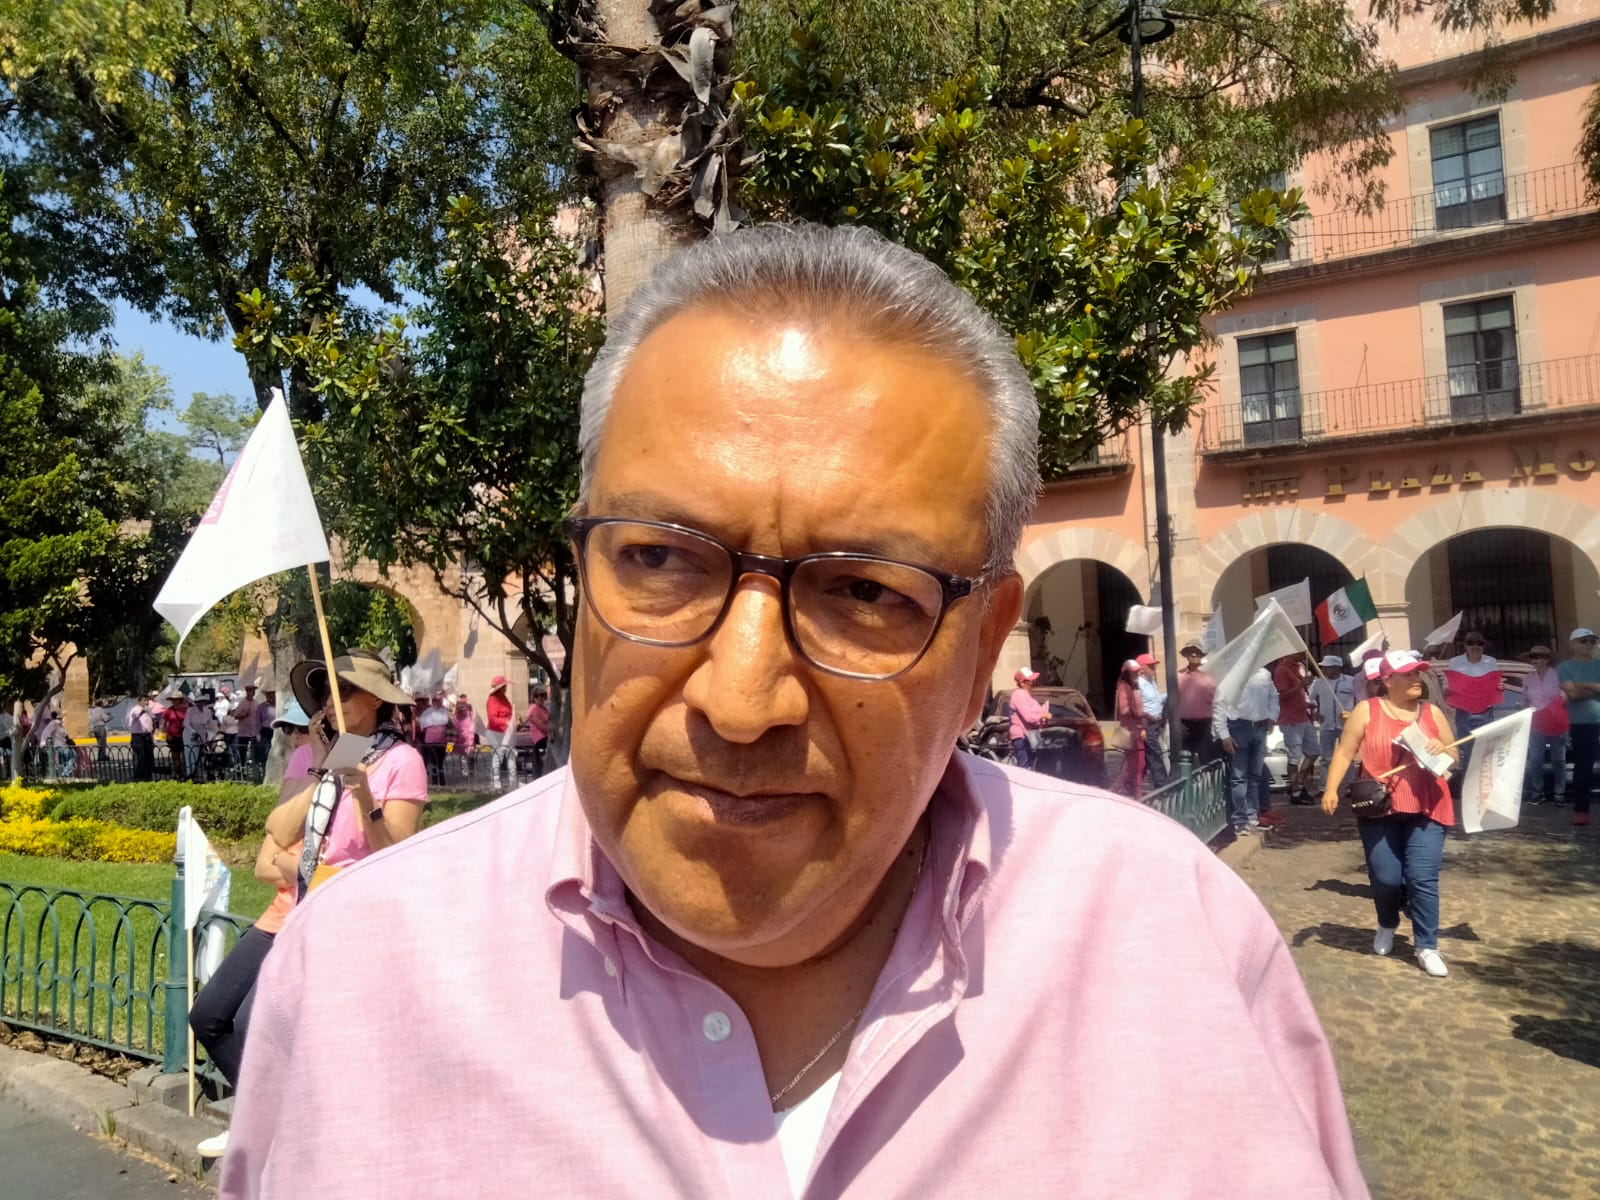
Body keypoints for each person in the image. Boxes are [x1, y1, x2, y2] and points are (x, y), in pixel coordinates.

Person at [223, 224, 1365, 1199]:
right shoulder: (360, 974)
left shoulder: (1176, 945)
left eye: (865, 592)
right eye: (660, 560)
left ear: (981, 648)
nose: (740, 699)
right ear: (580, 577)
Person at [190, 697, 316, 1161]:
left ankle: (275, 1127)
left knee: (249, 1022)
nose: (294, 740)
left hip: (311, 919)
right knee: (208, 1015)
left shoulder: (355, 766)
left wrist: (296, 865)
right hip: (277, 916)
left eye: (302, 730)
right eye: (288, 731)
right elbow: (267, 858)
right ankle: (260, 1118)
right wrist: (315, 771)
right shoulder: (307, 764)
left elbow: (329, 868)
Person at [1320, 650, 1458, 978]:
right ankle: (1387, 923)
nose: (1416, 679)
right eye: (1408, 674)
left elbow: (1454, 753)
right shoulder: (1366, 711)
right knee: (1386, 878)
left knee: (1422, 878)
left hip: (1429, 806)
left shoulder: (1432, 712)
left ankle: (1427, 946)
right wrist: (1331, 789)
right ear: (1387, 680)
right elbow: (1345, 752)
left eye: (1417, 673)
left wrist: (1443, 750)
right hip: (1379, 808)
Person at [262, 649, 430, 895]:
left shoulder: (402, 760)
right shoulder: (340, 750)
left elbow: (396, 854)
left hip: (364, 904)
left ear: (376, 699)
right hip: (315, 902)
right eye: (326, 693)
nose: (330, 702)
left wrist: (365, 799)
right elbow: (281, 834)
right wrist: (318, 765)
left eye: (344, 690)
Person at [1215, 665, 1280, 835]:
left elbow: (1274, 696)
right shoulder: (1231, 674)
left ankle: (1252, 816)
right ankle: (1240, 820)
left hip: (1259, 728)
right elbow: (1220, 704)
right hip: (1238, 727)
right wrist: (1224, 735)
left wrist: (1272, 717)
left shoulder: (1264, 674)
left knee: (1255, 776)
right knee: (1239, 777)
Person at [1443, 632, 1502, 797]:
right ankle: (1469, 791)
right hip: (1464, 712)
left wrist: (1500, 688)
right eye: (1471, 643)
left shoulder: (1491, 662)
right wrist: (1449, 690)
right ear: (1465, 645)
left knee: (1485, 752)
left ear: (1483, 645)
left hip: (1485, 713)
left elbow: (1496, 684)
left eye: (1479, 643)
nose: (1475, 646)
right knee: (1468, 753)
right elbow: (1446, 686)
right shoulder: (1455, 663)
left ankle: (1486, 791)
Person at [1559, 627, 1600, 826]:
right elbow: (1572, 694)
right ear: (1573, 643)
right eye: (1584, 640)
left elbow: (1576, 690)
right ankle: (1581, 810)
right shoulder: (1565, 667)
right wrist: (1596, 687)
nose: (1589, 644)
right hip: (1582, 723)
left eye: (1592, 640)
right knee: (1584, 767)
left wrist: (1583, 685)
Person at [1521, 645, 1567, 806]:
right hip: (1537, 721)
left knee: (1558, 759)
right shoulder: (1527, 678)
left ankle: (1560, 793)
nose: (1534, 660)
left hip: (1556, 720)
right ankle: (1537, 792)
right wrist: (1522, 706)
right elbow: (1525, 699)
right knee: (1535, 758)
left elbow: (1567, 696)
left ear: (1547, 660)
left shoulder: (1558, 675)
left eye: (1538, 657)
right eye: (1532, 657)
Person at [1274, 654, 1317, 806]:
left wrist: (1307, 705)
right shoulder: (1282, 669)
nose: (1305, 653)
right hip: (1291, 721)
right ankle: (1296, 791)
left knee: (1314, 752)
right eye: (1301, 650)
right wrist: (1301, 684)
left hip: (1303, 717)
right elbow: (1282, 696)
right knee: (1294, 757)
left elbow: (1297, 695)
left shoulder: (1297, 668)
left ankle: (1298, 784)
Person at [1310, 654, 1353, 794]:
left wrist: (1354, 715)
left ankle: (1350, 787)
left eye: (1327, 667)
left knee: (1347, 756)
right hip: (1326, 725)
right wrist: (1314, 712)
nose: (1324, 670)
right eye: (1324, 667)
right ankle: (1325, 787)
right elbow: (1309, 699)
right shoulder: (1319, 683)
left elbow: (1360, 699)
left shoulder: (1351, 682)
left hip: (1346, 725)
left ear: (1337, 668)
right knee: (1326, 758)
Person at [1176, 641, 1218, 765]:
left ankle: (1207, 777)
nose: (1194, 654)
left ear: (1201, 655)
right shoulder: (1178, 676)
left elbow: (1218, 701)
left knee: (1206, 760)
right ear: (1186, 655)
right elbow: (1172, 699)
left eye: (1197, 652)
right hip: (1183, 725)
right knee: (1185, 760)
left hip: (1204, 725)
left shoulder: (1210, 676)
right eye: (1190, 652)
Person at [1113, 659, 1147, 798]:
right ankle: (1115, 789)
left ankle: (1137, 793)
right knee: (1136, 765)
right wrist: (1140, 713)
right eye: (1133, 672)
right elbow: (1124, 709)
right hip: (1131, 731)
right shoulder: (1124, 687)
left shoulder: (1132, 687)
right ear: (1127, 673)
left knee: (1139, 764)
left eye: (1137, 671)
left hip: (1137, 730)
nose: (1137, 674)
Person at [1134, 652, 1169, 790]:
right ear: (1142, 668)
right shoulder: (1138, 684)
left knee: (1149, 756)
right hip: (1148, 724)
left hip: (1156, 723)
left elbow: (1157, 700)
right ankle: (1162, 783)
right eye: (1151, 666)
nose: (1154, 669)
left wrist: (1170, 693)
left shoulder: (1151, 682)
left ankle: (1134, 783)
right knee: (1155, 753)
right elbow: (1137, 706)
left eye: (1154, 666)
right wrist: (1143, 726)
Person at [1007, 667, 1049, 769]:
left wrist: (1043, 720)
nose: (1033, 682)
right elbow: (1028, 717)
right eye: (1030, 680)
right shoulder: (1019, 695)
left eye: (1033, 680)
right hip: (1022, 736)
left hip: (1031, 736)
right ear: (1022, 683)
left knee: (1034, 766)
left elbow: (1035, 719)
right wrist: (1043, 716)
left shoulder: (1029, 697)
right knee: (1025, 767)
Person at [485, 675, 517, 787]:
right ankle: (496, 784)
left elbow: (508, 712)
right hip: (496, 732)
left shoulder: (504, 698)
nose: (506, 688)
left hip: (507, 732)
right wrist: (506, 722)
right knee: (497, 758)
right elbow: (492, 719)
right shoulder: (492, 700)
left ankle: (513, 782)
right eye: (504, 686)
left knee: (511, 755)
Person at [184, 691, 221, 782]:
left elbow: (211, 724)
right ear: (196, 702)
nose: (201, 704)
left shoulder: (207, 711)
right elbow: (186, 723)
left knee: (202, 756)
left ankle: (200, 776)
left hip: (202, 734)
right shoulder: (191, 711)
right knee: (192, 755)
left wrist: (216, 732)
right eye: (199, 702)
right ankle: (191, 775)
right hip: (190, 735)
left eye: (202, 702)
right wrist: (193, 732)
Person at [416, 693, 451, 785]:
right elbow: (421, 725)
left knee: (440, 763)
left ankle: (442, 783)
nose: (436, 703)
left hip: (442, 742)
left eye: (438, 701)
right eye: (434, 701)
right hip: (430, 742)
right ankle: (434, 782)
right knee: (433, 762)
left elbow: (450, 729)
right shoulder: (428, 712)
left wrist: (450, 747)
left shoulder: (445, 712)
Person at [128, 693, 157, 782]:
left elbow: (153, 719)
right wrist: (142, 711)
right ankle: (138, 776)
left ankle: (148, 776)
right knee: (139, 756)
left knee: (148, 756)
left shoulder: (148, 709)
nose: (146, 702)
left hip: (147, 735)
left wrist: (153, 729)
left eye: (147, 700)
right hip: (138, 736)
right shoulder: (135, 710)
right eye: (144, 700)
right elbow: (135, 716)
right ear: (139, 701)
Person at [232, 684, 262, 767]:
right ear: (247, 691)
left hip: (254, 732)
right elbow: (235, 716)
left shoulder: (256, 703)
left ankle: (255, 767)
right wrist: (243, 714)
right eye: (249, 690)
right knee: (242, 752)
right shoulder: (242, 703)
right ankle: (242, 768)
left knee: (256, 751)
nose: (251, 692)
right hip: (244, 732)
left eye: (253, 690)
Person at [526, 686, 551, 777]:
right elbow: (542, 726)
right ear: (534, 698)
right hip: (539, 738)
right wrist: (554, 733)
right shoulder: (533, 709)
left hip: (546, 736)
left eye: (542, 695)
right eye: (537, 696)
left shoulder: (544, 708)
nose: (539, 698)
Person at [163, 694, 189, 779]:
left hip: (183, 735)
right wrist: (167, 734)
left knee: (183, 756)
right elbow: (164, 724)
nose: (174, 701)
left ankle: (183, 773)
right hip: (172, 735)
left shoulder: (185, 710)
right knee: (175, 756)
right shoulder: (168, 711)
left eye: (176, 699)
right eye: (173, 699)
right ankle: (175, 773)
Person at [256, 690, 277, 761]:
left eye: (272, 693)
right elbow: (258, 721)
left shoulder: (279, 706)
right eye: (268, 694)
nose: (271, 695)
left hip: (277, 730)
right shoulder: (261, 707)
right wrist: (258, 734)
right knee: (266, 751)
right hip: (265, 731)